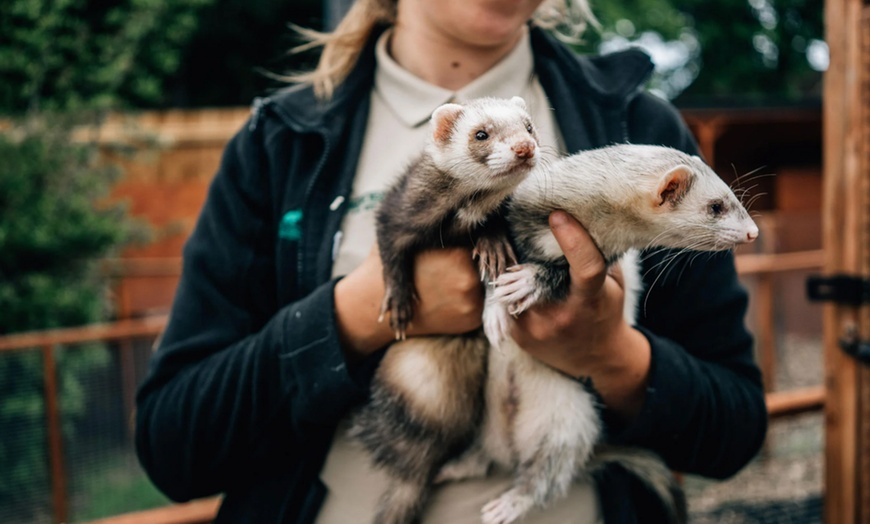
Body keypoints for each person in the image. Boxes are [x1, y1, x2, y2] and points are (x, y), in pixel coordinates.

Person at [134, 0, 768, 522]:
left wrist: (611, 355)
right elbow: (176, 443)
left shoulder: (641, 130)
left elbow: (734, 427)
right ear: (448, 134)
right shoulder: (279, 143)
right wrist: (358, 314)